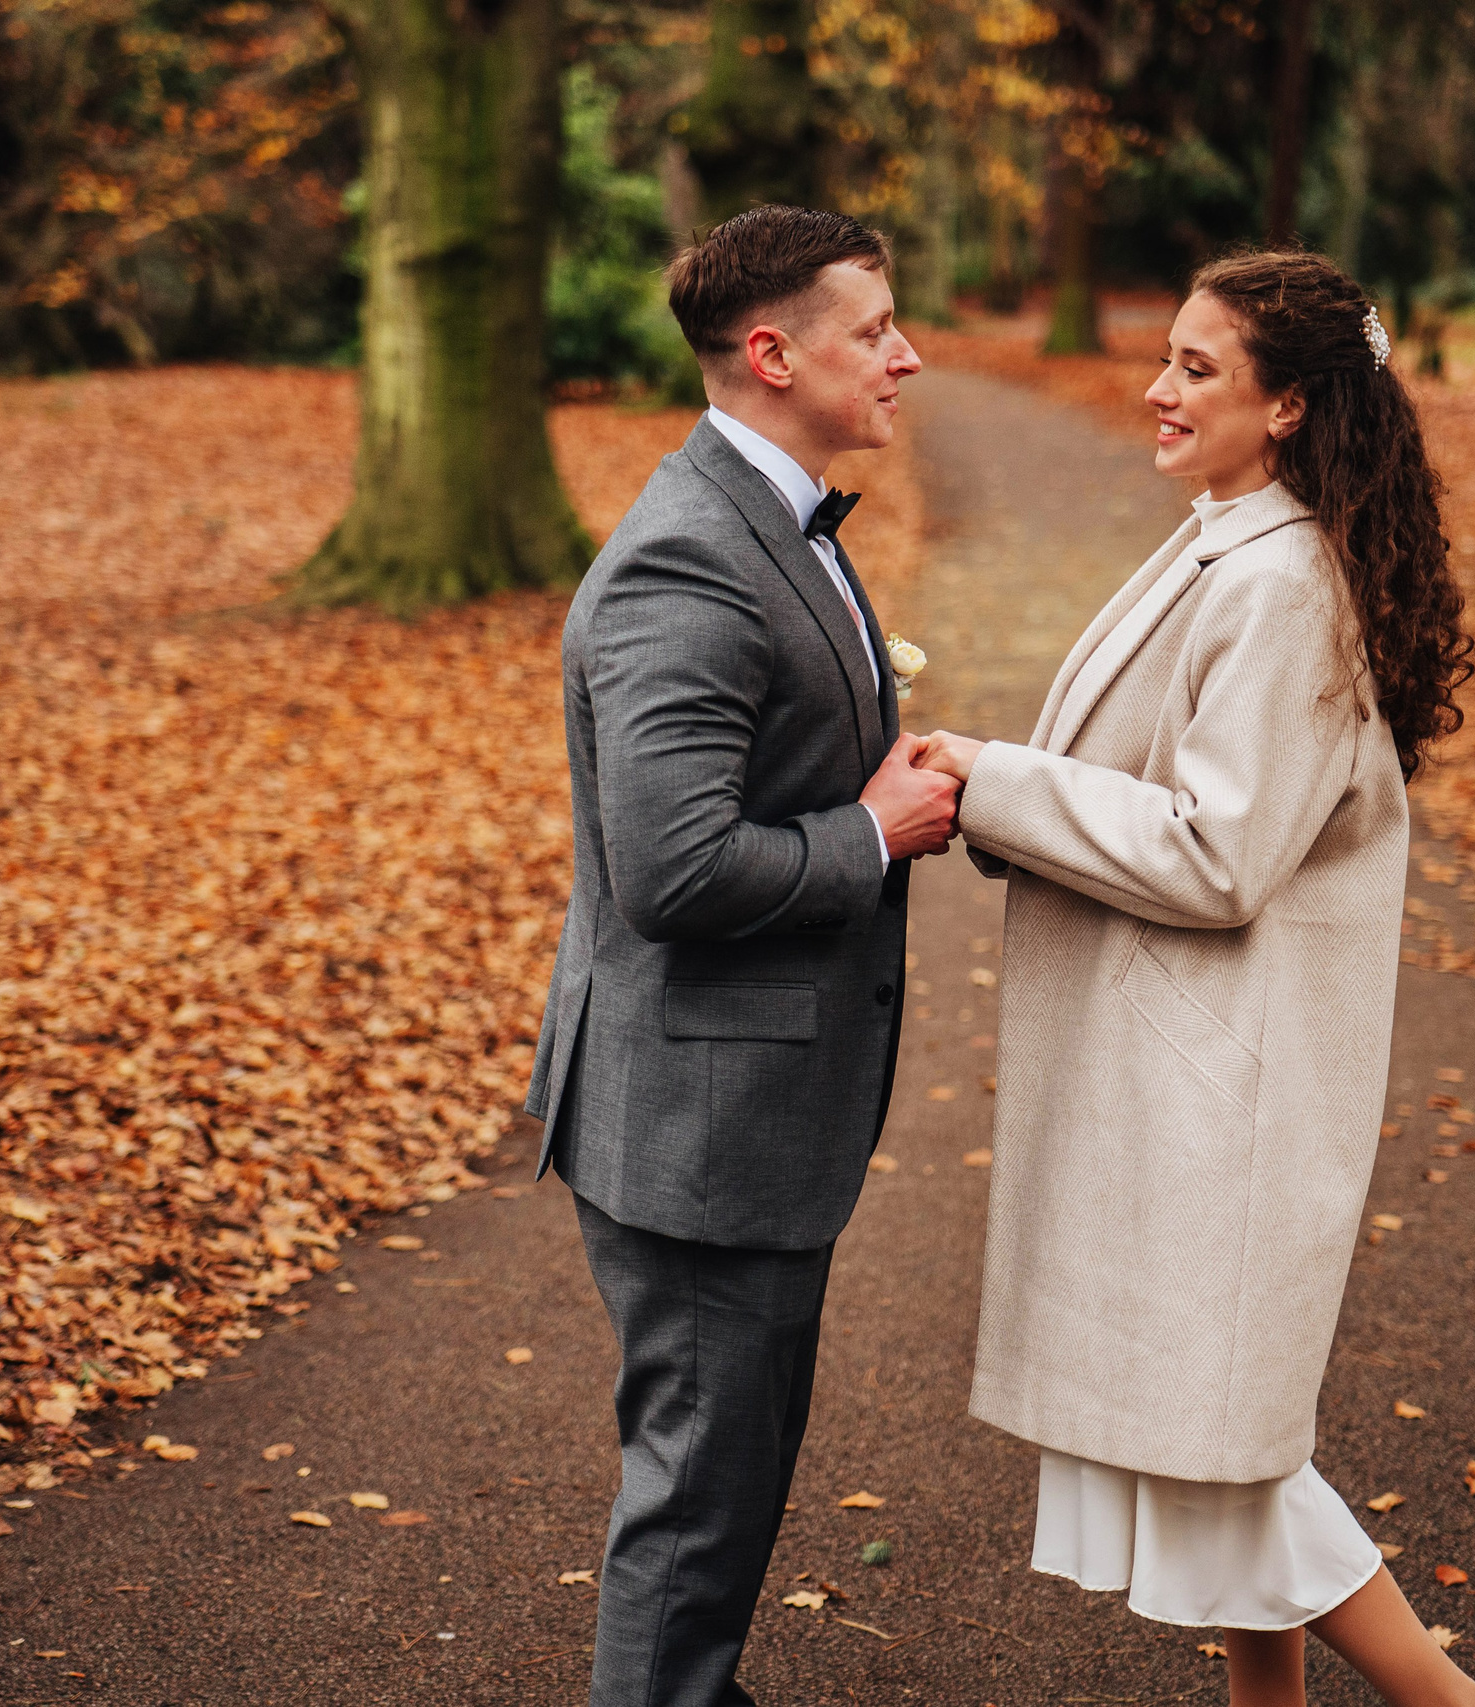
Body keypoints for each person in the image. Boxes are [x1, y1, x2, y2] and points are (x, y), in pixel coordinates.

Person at [912, 250, 1475, 1707]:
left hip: (1220, 1093)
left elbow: (1219, 853)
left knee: (1226, 1461)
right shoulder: (1230, 535)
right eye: (1167, 355)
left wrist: (997, 785)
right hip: (1189, 1074)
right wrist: (990, 778)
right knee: (1221, 1439)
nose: (1156, 387)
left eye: (1199, 367)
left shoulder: (1280, 584)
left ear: (1292, 408)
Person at [522, 205, 960, 1707]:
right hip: (699, 1127)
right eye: (873, 330)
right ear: (772, 354)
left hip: (744, 1118)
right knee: (697, 1500)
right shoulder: (687, 567)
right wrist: (874, 832)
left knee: (736, 1471)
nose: (907, 355)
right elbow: (673, 869)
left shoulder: (775, 518)